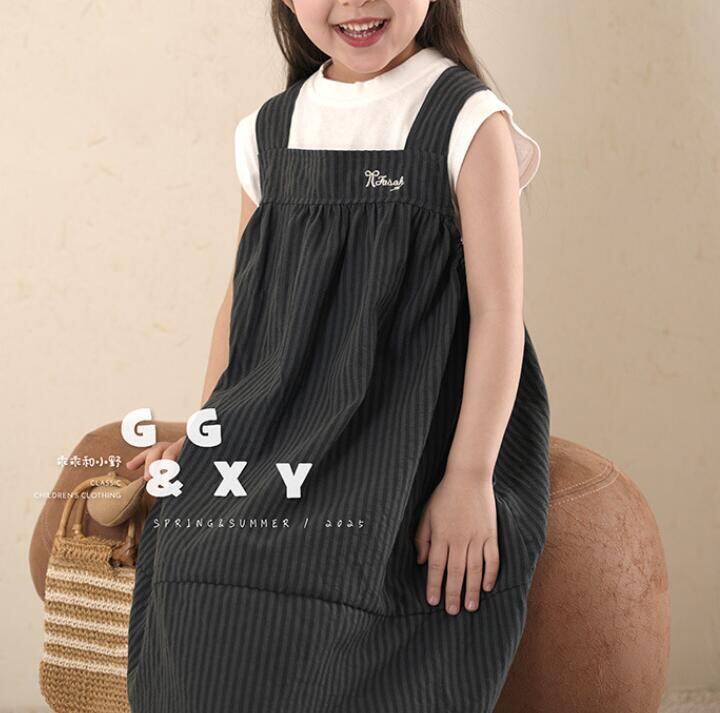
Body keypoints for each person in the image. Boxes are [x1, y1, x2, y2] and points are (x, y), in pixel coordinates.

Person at [125, 1, 551, 711]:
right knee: (195, 559)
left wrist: (470, 476)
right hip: (278, 421)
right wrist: (206, 435)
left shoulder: (467, 120)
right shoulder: (269, 130)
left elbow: (499, 313)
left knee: (341, 566)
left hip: (405, 428)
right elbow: (241, 305)